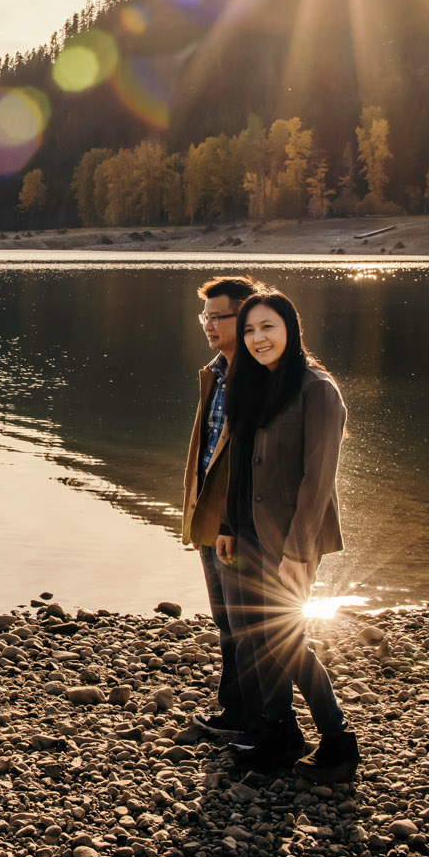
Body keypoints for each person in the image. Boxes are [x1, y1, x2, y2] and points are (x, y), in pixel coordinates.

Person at [214, 289, 359, 782]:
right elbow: (238, 465)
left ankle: (338, 741)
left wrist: (298, 552)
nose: (257, 339)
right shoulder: (253, 385)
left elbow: (319, 479)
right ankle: (278, 733)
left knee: (288, 641)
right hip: (247, 535)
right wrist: (228, 526)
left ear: (290, 329)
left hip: (292, 539)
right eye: (250, 329)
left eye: (268, 327)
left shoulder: (317, 389)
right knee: (254, 638)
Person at [182, 275, 263, 737]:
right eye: (205, 317)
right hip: (209, 515)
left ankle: (258, 718)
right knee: (223, 620)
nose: (209, 325)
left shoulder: (258, 376)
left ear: (245, 315)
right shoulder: (214, 372)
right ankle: (235, 713)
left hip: (241, 522)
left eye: (219, 317)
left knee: (246, 622)